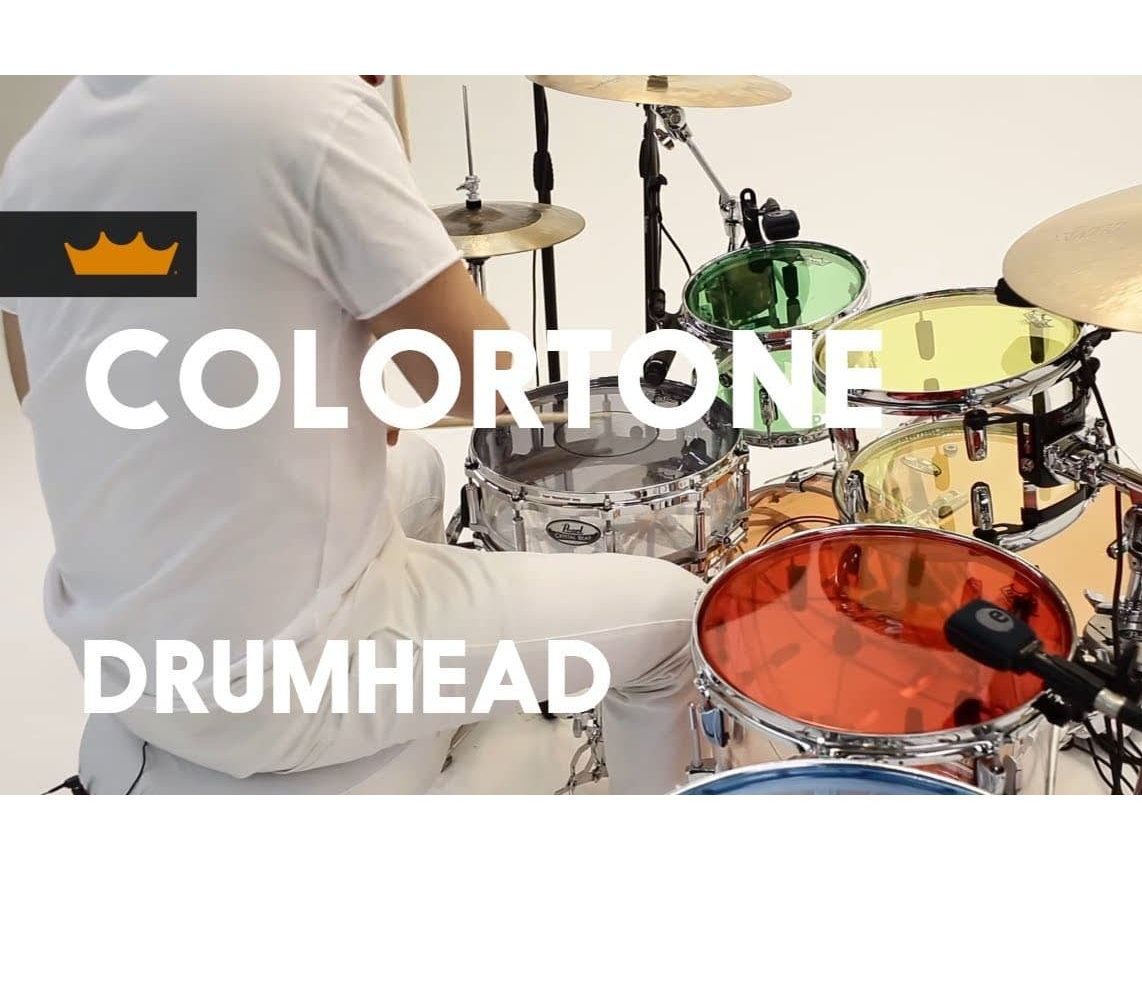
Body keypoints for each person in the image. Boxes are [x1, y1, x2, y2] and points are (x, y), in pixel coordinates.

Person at [0, 75, 702, 794]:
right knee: (677, 620)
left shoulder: (39, 159)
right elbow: (486, 383)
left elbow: (43, 387)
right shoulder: (307, 112)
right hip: (275, 686)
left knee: (419, 469)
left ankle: (430, 717)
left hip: (121, 656)